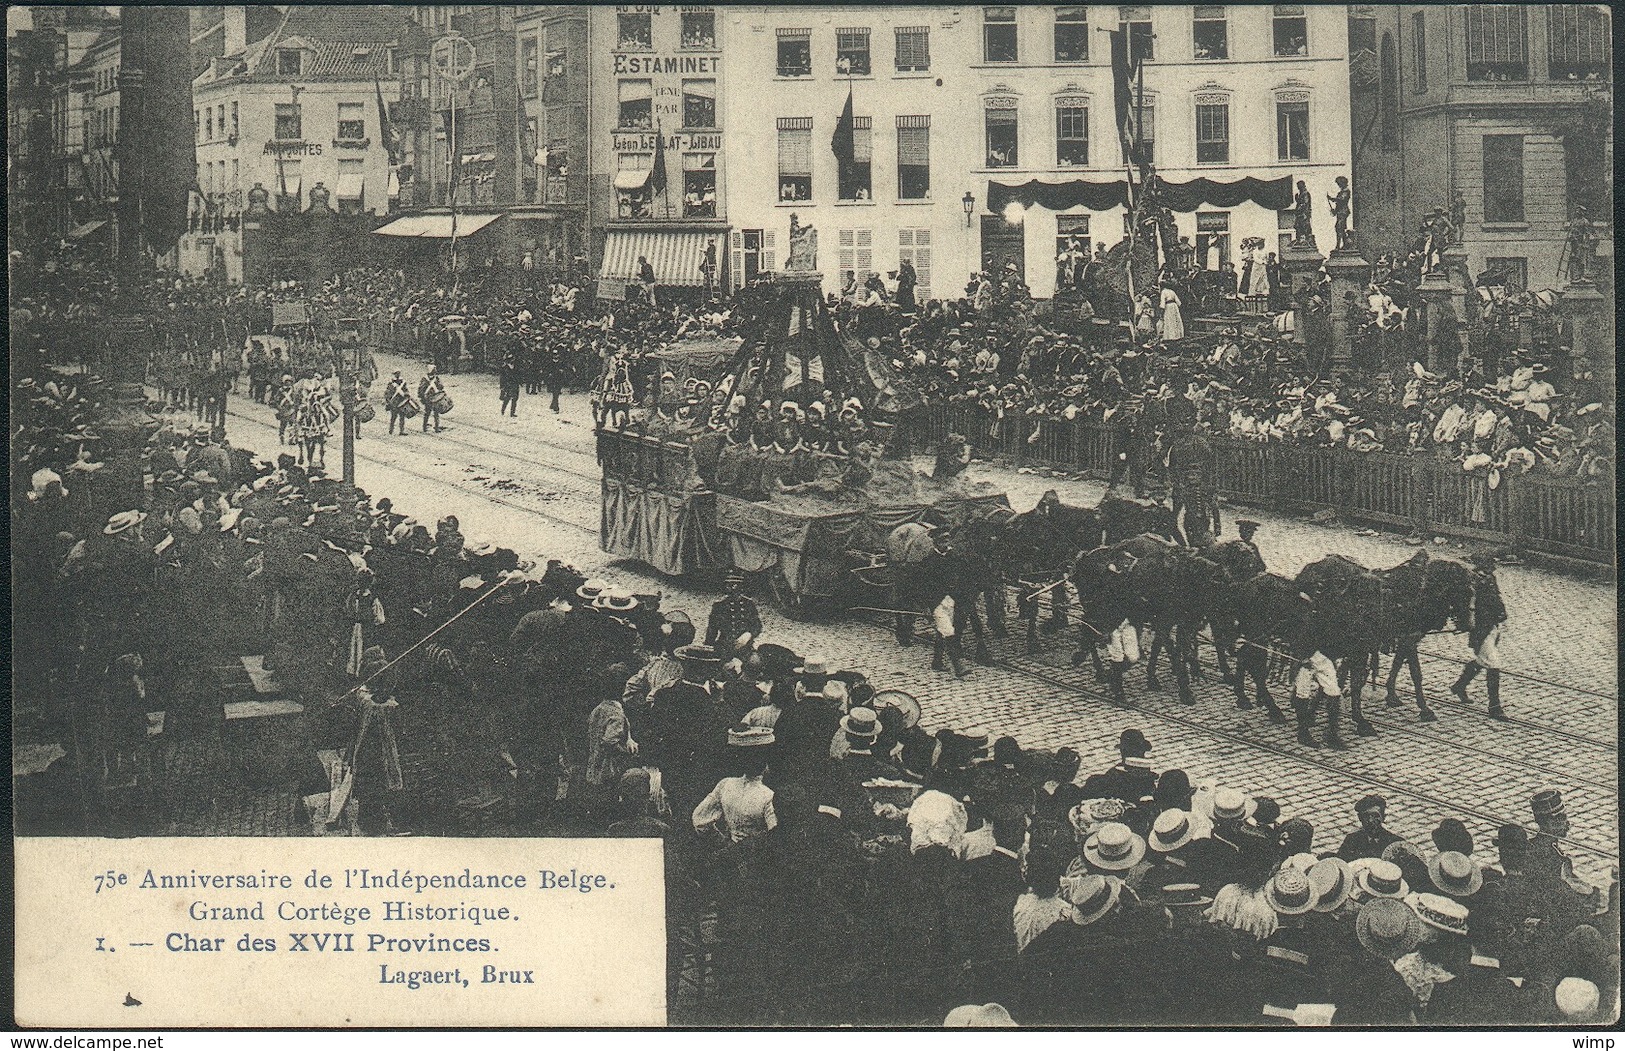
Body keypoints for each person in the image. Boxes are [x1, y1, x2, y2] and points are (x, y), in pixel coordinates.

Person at [1450, 552, 1508, 720]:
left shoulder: (1490, 579)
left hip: (1492, 626)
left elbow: (1497, 598)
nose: (1490, 570)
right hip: (1480, 628)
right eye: (1488, 567)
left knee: (1483, 660)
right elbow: (1469, 607)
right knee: (1493, 662)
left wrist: (1502, 615)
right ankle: (1494, 706)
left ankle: (1459, 686)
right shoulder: (1473, 583)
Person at [704, 569, 762, 657]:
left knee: (754, 663)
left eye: (733, 584)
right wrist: (707, 648)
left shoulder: (749, 604)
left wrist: (748, 634)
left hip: (745, 646)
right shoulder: (719, 605)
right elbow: (712, 630)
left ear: (741, 587)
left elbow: (757, 625)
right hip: (724, 647)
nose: (730, 587)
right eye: (728, 584)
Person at [1339, 794, 1403, 861]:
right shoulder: (1351, 841)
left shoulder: (1395, 843)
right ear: (1360, 818)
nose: (1370, 820)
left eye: (1375, 815)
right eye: (1366, 816)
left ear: (1383, 817)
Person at [418, 366, 447, 433]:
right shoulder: (426, 379)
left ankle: (431, 427)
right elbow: (421, 389)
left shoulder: (434, 378)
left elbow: (441, 386)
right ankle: (428, 427)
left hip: (433, 398)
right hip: (430, 398)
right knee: (430, 413)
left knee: (432, 413)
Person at [383, 369, 412, 436]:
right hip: (394, 402)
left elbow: (406, 390)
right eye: (396, 373)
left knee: (402, 416)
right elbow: (388, 392)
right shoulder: (391, 383)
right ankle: (391, 430)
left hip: (401, 401)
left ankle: (401, 430)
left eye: (399, 373)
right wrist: (388, 400)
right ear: (394, 374)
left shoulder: (403, 382)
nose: (398, 374)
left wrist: (406, 394)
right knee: (393, 417)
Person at [498, 352, 521, 418]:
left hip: (515, 384)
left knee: (515, 399)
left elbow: (518, 375)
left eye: (512, 359)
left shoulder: (516, 367)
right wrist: (502, 386)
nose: (512, 360)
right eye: (510, 359)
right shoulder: (504, 368)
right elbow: (502, 378)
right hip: (508, 385)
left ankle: (512, 412)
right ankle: (503, 409)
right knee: (507, 398)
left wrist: (519, 381)